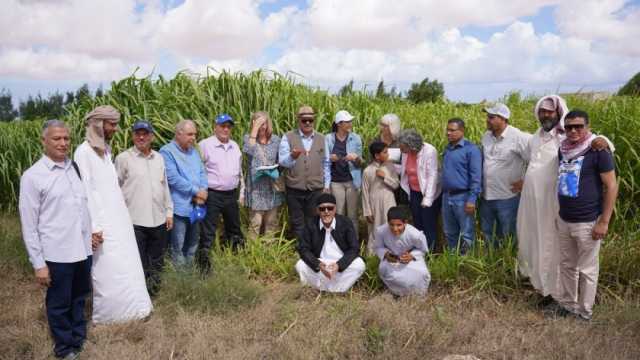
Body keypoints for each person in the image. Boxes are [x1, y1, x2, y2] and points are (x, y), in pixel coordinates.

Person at [517, 95, 613, 303]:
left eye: (550, 111)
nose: (545, 115)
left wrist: (604, 139)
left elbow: (593, 142)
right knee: (540, 246)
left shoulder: (567, 135)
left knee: (557, 251)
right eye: (542, 111)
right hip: (534, 205)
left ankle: (562, 296)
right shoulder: (536, 136)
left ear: (559, 112)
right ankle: (545, 290)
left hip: (556, 205)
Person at [19, 120, 93, 359]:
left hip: (82, 250)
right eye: (56, 139)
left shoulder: (74, 168)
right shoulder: (33, 177)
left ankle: (78, 339)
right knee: (59, 304)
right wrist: (38, 264)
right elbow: (29, 225)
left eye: (66, 139)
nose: (63, 143)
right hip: (57, 253)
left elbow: (82, 208)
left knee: (79, 298)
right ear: (44, 141)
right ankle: (64, 348)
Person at [74, 105, 152, 323]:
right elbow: (86, 192)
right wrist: (94, 227)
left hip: (118, 218)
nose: (116, 129)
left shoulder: (105, 151)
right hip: (102, 223)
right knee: (108, 269)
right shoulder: (83, 153)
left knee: (127, 262)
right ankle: (111, 316)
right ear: (99, 124)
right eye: (112, 124)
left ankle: (137, 310)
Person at [553, 110, 618, 320]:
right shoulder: (563, 150)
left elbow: (611, 186)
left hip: (588, 221)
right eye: (569, 127)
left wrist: (604, 221)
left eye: (578, 126)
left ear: (587, 127)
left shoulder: (598, 150)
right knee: (567, 265)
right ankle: (568, 305)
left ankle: (584, 312)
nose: (573, 130)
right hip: (565, 219)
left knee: (588, 269)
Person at [115, 120, 173, 296]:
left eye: (145, 133)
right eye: (138, 133)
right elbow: (115, 190)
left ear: (151, 136)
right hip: (135, 220)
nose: (141, 137)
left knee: (157, 261)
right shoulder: (123, 159)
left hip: (159, 219)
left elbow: (165, 187)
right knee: (138, 261)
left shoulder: (159, 158)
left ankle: (153, 293)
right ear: (132, 135)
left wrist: (169, 212)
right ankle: (138, 296)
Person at [198, 113, 245, 272]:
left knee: (234, 228)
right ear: (215, 127)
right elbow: (198, 169)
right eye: (222, 126)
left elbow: (239, 172)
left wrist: (242, 192)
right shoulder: (205, 145)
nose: (226, 129)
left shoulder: (235, 146)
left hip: (231, 194)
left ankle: (236, 262)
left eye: (228, 126)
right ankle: (204, 268)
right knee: (208, 231)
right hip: (212, 194)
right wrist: (200, 192)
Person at [480, 103, 531, 247]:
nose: (487, 120)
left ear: (503, 119)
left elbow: (538, 159)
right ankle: (493, 265)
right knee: (489, 235)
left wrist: (525, 181)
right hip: (486, 197)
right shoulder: (486, 136)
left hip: (507, 198)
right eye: (487, 117)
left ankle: (509, 266)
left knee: (510, 236)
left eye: (491, 117)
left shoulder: (519, 137)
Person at [160, 119, 208, 267]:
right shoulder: (167, 151)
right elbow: (173, 179)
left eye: (195, 134)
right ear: (178, 134)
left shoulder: (193, 151)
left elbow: (202, 172)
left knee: (193, 244)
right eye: (189, 134)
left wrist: (203, 190)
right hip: (179, 208)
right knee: (178, 247)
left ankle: (190, 276)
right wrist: (196, 191)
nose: (193, 138)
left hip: (196, 207)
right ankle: (181, 282)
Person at [295, 193, 366, 292]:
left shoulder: (345, 222)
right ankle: (335, 288)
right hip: (321, 263)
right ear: (317, 210)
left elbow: (354, 248)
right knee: (300, 265)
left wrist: (339, 265)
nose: (326, 212)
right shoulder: (310, 224)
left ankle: (326, 288)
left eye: (330, 208)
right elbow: (303, 249)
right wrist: (319, 264)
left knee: (360, 264)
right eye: (322, 209)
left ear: (335, 209)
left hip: (340, 262)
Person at [279, 105, 326, 239]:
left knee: (314, 220)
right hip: (294, 187)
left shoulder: (322, 138)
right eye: (304, 120)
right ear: (298, 120)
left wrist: (326, 185)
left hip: (315, 187)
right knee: (297, 221)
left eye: (310, 120)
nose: (307, 123)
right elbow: (283, 162)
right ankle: (301, 248)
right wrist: (292, 157)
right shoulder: (288, 137)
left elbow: (326, 163)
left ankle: (313, 247)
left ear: (314, 120)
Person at [441, 118, 482, 253]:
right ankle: (453, 260)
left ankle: (467, 263)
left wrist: (472, 200)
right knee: (450, 232)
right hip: (447, 197)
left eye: (452, 130)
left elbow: (476, 177)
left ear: (462, 131)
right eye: (447, 130)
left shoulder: (471, 150)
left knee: (466, 234)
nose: (448, 133)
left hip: (463, 197)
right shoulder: (447, 149)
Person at [397, 129, 442, 251]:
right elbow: (405, 169)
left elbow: (432, 175)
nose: (400, 150)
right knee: (418, 222)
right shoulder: (406, 153)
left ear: (410, 145)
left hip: (429, 193)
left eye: (402, 147)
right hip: (414, 192)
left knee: (428, 223)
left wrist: (427, 199)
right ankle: (420, 250)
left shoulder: (429, 151)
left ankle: (431, 252)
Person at [243, 111, 284, 240]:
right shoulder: (249, 138)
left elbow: (281, 161)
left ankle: (269, 251)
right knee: (255, 222)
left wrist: (276, 170)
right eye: (259, 123)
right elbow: (249, 151)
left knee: (271, 223)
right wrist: (254, 131)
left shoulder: (276, 140)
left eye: (264, 123)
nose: (262, 127)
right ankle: (252, 252)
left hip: (272, 187)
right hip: (256, 188)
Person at [373, 206, 431, 296]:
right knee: (383, 269)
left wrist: (411, 256)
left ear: (405, 223)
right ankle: (395, 292)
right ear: (388, 222)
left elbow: (423, 249)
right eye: (391, 225)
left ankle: (417, 294)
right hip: (391, 260)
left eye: (399, 225)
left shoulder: (415, 234)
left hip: (410, 260)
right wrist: (386, 254)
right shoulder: (381, 231)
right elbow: (377, 247)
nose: (395, 229)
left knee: (422, 273)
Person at [324, 110, 363, 231]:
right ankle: (339, 242)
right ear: (339, 124)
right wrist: (330, 158)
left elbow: (360, 162)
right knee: (338, 214)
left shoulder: (356, 138)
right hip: (336, 182)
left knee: (352, 215)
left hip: (352, 181)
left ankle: (354, 243)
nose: (350, 123)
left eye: (350, 121)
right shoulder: (328, 138)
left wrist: (355, 158)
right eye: (347, 122)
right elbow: (324, 160)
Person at [362, 141, 400, 253]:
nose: (388, 154)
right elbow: (365, 192)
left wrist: (385, 177)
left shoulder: (390, 167)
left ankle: (392, 254)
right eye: (385, 152)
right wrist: (367, 211)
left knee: (390, 228)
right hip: (374, 205)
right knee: (375, 230)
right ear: (377, 155)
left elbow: (396, 185)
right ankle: (372, 257)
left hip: (389, 202)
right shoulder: (367, 171)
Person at [373, 113, 406, 204]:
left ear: (393, 127)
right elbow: (371, 160)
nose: (382, 127)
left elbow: (405, 161)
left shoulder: (400, 142)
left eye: (385, 126)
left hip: (396, 181)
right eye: (381, 125)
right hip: (379, 179)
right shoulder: (376, 141)